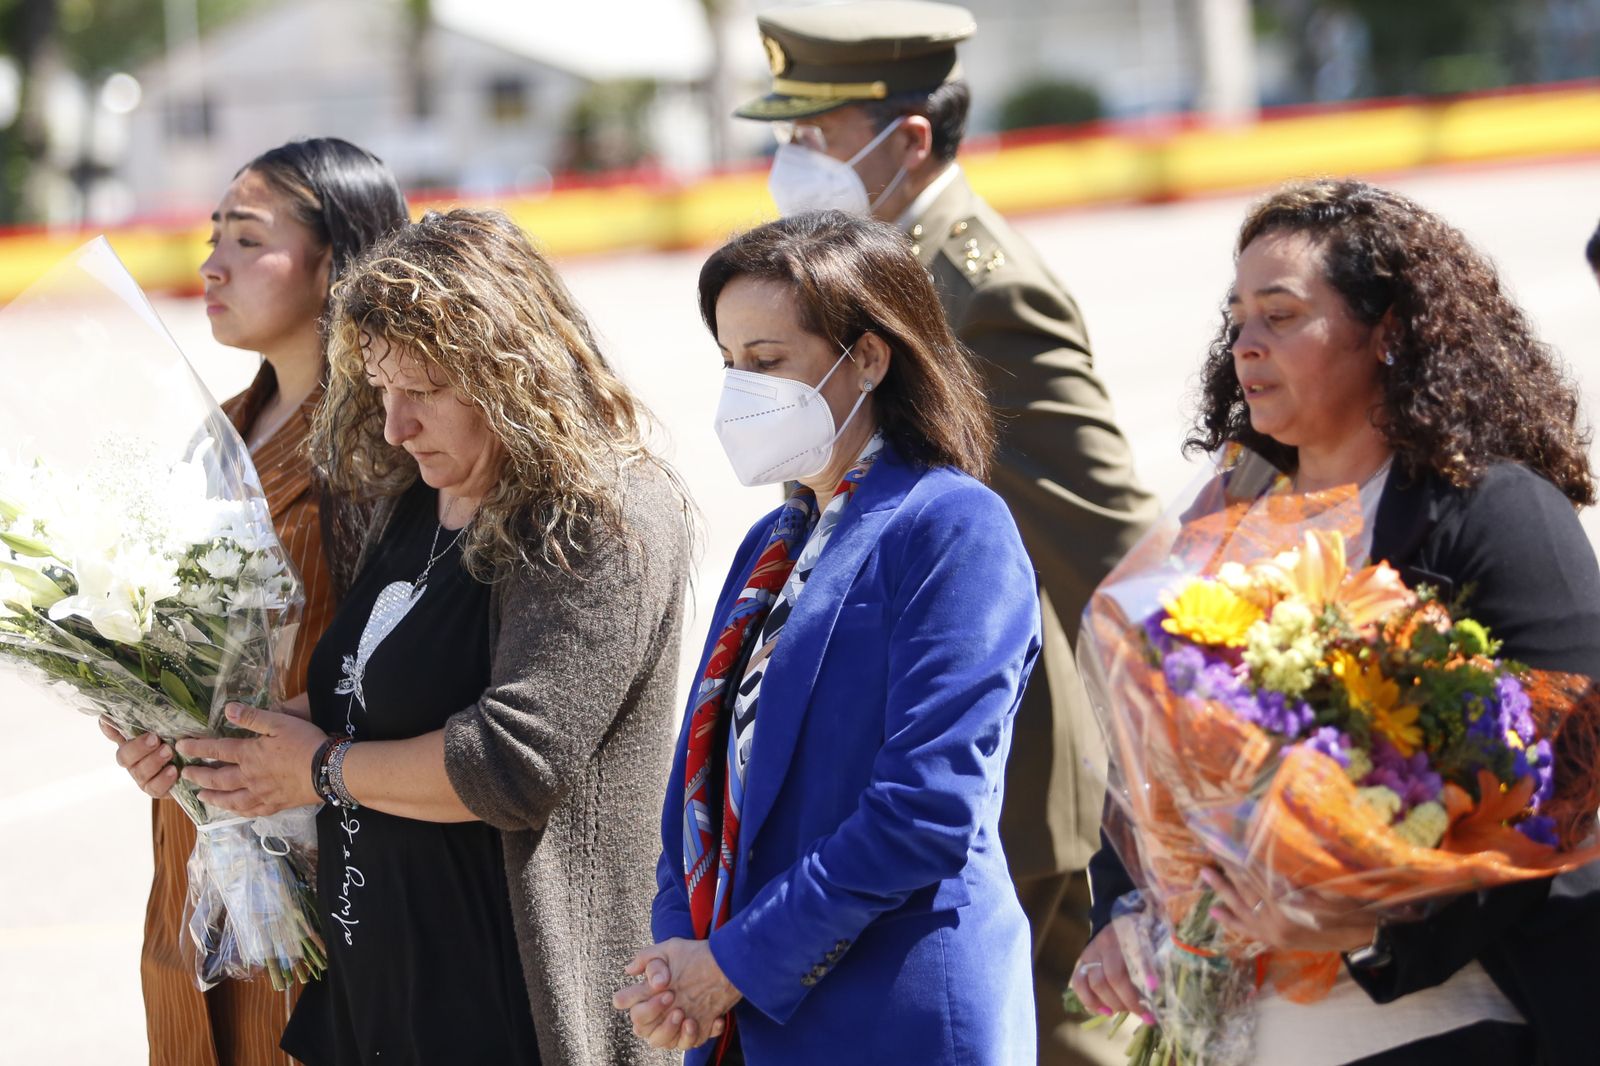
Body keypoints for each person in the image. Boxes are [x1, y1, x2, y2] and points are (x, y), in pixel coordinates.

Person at [1072, 177, 1600, 1065]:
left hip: (1454, 1019)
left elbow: (1569, 782)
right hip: (1247, 1030)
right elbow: (1144, 773)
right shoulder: (1218, 519)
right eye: (1238, 317)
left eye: (1281, 315)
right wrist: (1125, 914)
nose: (1246, 343)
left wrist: (1360, 921)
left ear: (1389, 331)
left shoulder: (1495, 512)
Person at [152, 208, 688, 1065]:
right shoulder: (415, 495)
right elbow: (358, 700)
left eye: (425, 390)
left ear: (515, 370)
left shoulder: (603, 514)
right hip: (379, 1001)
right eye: (380, 389)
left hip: (513, 1012)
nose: (396, 425)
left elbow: (514, 763)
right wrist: (208, 749)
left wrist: (316, 768)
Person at [733, 6, 1157, 1058]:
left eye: (813, 138)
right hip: (884, 763)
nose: (789, 164)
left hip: (991, 772)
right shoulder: (875, 273)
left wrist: (1168, 774)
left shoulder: (977, 287)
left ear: (907, 138)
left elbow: (1116, 537)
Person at [614, 210, 1039, 1063]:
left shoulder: (952, 526)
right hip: (749, 1020)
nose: (742, 390)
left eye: (767, 363)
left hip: (893, 1017)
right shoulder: (773, 544)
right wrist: (677, 960)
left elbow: (926, 809)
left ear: (870, 357)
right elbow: (703, 778)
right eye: (731, 365)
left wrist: (731, 964)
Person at [101, 136, 409, 1066]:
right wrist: (139, 725)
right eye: (212, 236)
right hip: (196, 843)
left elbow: (416, 657)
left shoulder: (386, 444)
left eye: (247, 238)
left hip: (328, 852)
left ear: (337, 262)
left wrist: (289, 735)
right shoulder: (219, 433)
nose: (212, 263)